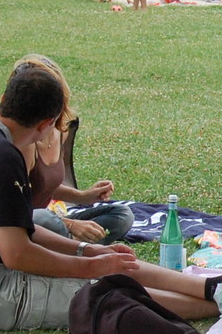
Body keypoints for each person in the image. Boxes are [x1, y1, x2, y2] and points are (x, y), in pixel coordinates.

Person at [0, 61, 222, 331]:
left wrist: (89, 252)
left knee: (115, 263)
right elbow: (17, 254)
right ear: (47, 124)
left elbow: (24, 231)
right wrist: (90, 267)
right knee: (106, 290)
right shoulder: (0, 155)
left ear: (5, 99)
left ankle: (212, 287)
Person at [12, 55, 135, 246]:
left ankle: (70, 245)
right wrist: (70, 225)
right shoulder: (23, 142)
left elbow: (43, 185)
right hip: (26, 223)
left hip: (53, 222)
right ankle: (74, 247)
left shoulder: (60, 131)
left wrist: (84, 196)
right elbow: (14, 210)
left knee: (122, 214)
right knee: (42, 216)